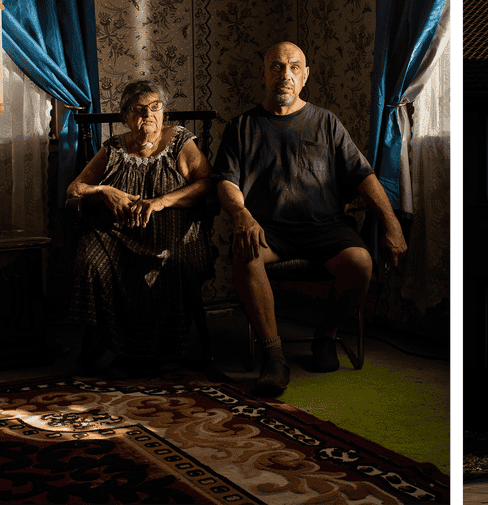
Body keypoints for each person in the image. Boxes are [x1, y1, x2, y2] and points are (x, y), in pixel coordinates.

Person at [211, 41, 406, 396]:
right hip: (269, 229)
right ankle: (274, 356)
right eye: (276, 67)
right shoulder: (241, 127)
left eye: (294, 67)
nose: (285, 75)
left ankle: (326, 337)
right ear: (262, 73)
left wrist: (391, 224)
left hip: (325, 228)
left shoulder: (326, 122)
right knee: (245, 254)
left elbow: (363, 176)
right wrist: (241, 213)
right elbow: (226, 180)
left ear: (305, 76)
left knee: (361, 262)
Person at [67, 80, 213, 377]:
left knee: (173, 263)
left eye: (155, 107)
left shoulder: (180, 141)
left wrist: (161, 202)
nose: (148, 114)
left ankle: (163, 351)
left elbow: (207, 184)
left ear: (164, 113)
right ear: (125, 117)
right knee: (90, 262)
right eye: (138, 109)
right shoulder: (113, 148)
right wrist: (103, 191)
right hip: (117, 236)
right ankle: (108, 343)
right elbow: (74, 188)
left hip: (172, 233)